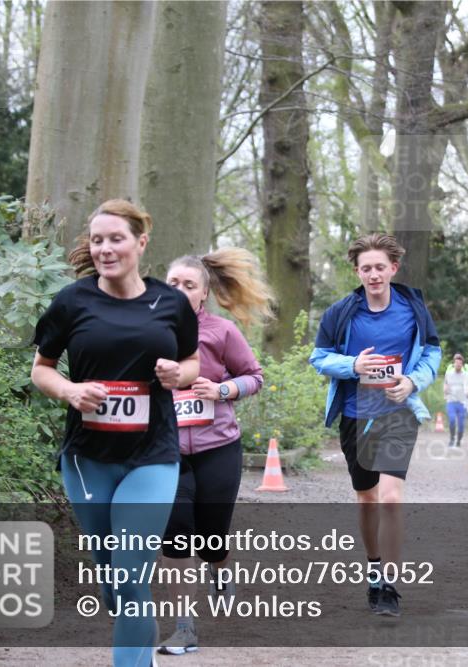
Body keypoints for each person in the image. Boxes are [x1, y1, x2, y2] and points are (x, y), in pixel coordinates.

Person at [31, 200, 200, 667]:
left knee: (131, 571)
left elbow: (193, 362)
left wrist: (177, 374)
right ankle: (119, 592)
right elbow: (41, 370)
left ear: (140, 243)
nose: (105, 248)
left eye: (116, 238)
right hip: (87, 460)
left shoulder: (171, 302)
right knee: (113, 573)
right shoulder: (72, 301)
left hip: (153, 456)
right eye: (97, 239)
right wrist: (69, 390)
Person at [309, 232, 441, 617]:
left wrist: (414, 380)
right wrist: (353, 366)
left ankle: (390, 586)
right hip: (355, 415)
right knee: (367, 498)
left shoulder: (413, 307)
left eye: (380, 267)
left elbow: (432, 351)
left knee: (391, 497)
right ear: (357, 272)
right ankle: (373, 567)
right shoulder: (341, 312)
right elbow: (319, 357)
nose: (373, 274)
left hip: (397, 413)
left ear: (393, 268)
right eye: (366, 268)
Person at [156, 250, 273, 656]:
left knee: (211, 538)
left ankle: (219, 567)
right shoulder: (149, 331)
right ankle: (184, 628)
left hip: (218, 446)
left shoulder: (221, 331)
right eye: (173, 283)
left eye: (189, 285)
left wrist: (223, 389)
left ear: (203, 294)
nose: (180, 290)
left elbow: (255, 376)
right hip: (165, 450)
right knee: (176, 537)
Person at [443, 353, 468, 447]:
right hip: (451, 401)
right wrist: (445, 390)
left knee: (461, 424)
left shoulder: (466, 375)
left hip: (462, 403)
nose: (458, 364)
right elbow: (445, 385)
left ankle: (459, 440)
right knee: (451, 420)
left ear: (462, 364)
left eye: (460, 363)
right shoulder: (448, 374)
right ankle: (452, 438)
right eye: (456, 362)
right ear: (453, 363)